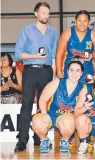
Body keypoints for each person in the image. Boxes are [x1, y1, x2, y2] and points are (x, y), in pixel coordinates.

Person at [14, 2, 58, 151]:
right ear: (36, 13)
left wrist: (55, 74)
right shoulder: (26, 30)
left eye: (48, 13)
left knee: (43, 105)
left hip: (46, 71)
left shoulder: (53, 32)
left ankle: (40, 137)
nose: (46, 15)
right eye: (43, 12)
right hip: (30, 70)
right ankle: (22, 140)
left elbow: (53, 55)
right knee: (26, 106)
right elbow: (18, 54)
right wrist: (35, 56)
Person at [32, 56, 84, 153]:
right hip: (52, 114)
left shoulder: (83, 88)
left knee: (68, 121)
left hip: (67, 118)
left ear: (81, 74)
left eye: (77, 70)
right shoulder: (57, 82)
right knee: (37, 120)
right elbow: (43, 99)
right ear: (67, 72)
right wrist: (44, 113)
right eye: (71, 70)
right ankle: (44, 140)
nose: (74, 73)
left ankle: (65, 140)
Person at [56, 10, 95, 81]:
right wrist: (59, 74)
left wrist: (92, 56)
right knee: (70, 91)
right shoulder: (67, 33)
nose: (82, 24)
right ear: (75, 21)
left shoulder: (93, 35)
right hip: (70, 71)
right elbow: (59, 55)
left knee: (87, 91)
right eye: (79, 20)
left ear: (89, 22)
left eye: (85, 21)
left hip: (87, 72)